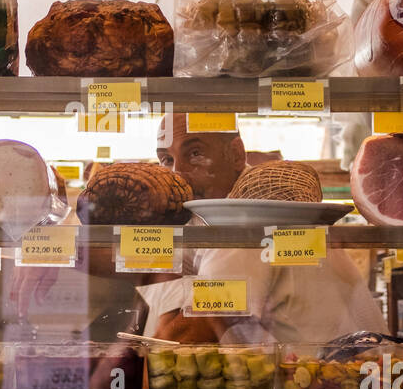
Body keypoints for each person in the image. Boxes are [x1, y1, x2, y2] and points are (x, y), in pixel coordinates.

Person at [144, 113, 386, 344]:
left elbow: (185, 334)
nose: (176, 174)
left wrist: (159, 263)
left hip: (342, 378)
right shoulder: (214, 217)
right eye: (167, 160)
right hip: (328, 373)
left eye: (195, 154)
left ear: (236, 154)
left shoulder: (247, 216)